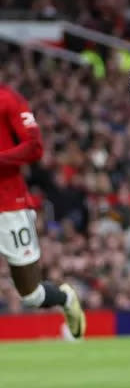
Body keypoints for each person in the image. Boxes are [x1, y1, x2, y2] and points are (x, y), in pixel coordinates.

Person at [0, 84, 86, 338]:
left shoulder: (8, 99)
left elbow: (34, 147)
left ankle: (64, 298)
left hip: (9, 206)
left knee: (31, 294)